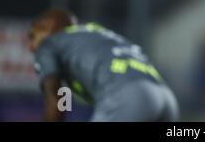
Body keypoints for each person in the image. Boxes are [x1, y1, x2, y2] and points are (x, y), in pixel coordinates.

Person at [28, 8, 179, 122]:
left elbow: (54, 101)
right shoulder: (93, 35)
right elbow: (62, 102)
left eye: (32, 36)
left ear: (47, 26)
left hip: (128, 96)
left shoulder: (49, 44)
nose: (30, 46)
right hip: (165, 98)